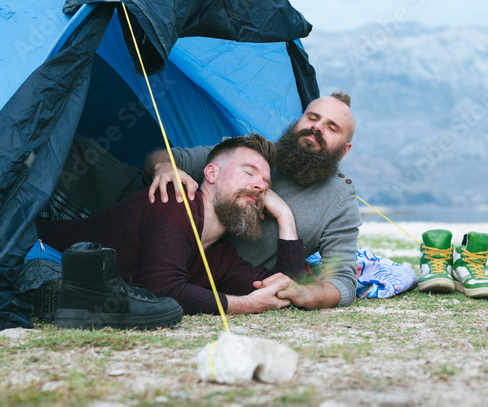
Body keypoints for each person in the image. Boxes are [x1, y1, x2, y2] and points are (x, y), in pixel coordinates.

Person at [36, 134, 303, 316]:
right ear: (211, 173)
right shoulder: (174, 200)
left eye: (266, 188)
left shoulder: (221, 257)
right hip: (36, 249)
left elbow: (286, 288)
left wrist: (285, 217)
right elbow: (163, 290)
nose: (259, 186)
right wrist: (245, 304)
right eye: (249, 173)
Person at [145, 92, 360, 310]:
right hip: (159, 257)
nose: (317, 127)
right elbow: (168, 156)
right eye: (312, 118)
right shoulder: (253, 153)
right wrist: (164, 167)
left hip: (234, 278)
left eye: (332, 128)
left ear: (345, 149)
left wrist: (305, 292)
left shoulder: (340, 201)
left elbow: (342, 282)